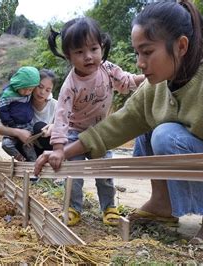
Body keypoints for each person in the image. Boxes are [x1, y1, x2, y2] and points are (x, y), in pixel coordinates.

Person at [35, 1, 203, 241]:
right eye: (137, 53)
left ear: (180, 46)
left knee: (166, 134)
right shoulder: (154, 88)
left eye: (147, 52)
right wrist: (64, 152)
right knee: (148, 127)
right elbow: (117, 125)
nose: (139, 62)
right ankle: (162, 205)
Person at [47, 17, 145, 226]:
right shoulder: (70, 85)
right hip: (74, 133)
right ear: (69, 56)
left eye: (93, 49)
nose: (88, 57)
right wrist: (57, 148)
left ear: (102, 46)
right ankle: (73, 207)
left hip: (100, 131)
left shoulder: (108, 69)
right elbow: (61, 117)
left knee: (104, 170)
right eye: (79, 52)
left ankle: (109, 207)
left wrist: (146, 77)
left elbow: (126, 82)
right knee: (74, 174)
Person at [0, 69, 58, 157]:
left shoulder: (56, 106)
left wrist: (54, 126)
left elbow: (68, 128)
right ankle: (28, 162)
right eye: (40, 87)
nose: (42, 92)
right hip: (29, 148)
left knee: (39, 126)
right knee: (9, 141)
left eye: (47, 90)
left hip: (48, 150)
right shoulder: (20, 102)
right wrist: (18, 132)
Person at [0, 66, 40, 162]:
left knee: (28, 145)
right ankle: (21, 159)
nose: (27, 92)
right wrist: (10, 123)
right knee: (6, 144)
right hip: (12, 126)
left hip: (27, 126)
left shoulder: (29, 94)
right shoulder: (7, 95)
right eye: (25, 89)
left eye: (30, 90)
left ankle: (34, 165)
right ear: (18, 84)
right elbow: (2, 110)